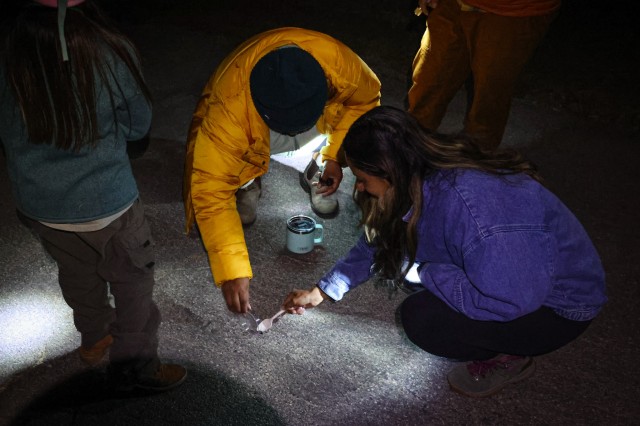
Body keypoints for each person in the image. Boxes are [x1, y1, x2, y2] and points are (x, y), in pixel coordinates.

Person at [281, 106, 607, 398]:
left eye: (364, 179)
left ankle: (510, 357)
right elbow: (380, 240)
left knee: (425, 321)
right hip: (515, 277)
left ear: (390, 172)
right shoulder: (417, 176)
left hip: (557, 306)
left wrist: (429, 272)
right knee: (414, 269)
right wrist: (322, 291)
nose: (361, 188)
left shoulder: (477, 215)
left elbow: (512, 300)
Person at [0, 0, 186, 392]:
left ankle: (94, 337)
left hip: (41, 205)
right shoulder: (108, 49)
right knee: (133, 287)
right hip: (109, 204)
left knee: (77, 273)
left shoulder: (10, 50)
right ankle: (136, 368)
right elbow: (138, 125)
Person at [183, 27, 381, 314]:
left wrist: (336, 156)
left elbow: (365, 99)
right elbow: (210, 189)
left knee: (349, 126)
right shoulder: (228, 110)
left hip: (317, 111)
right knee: (239, 152)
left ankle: (318, 166)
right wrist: (231, 269)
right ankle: (248, 181)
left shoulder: (339, 66)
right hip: (248, 117)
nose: (294, 133)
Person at [408, 0, 561, 150]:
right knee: (427, 84)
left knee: (489, 96)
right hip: (453, 5)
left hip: (515, 11)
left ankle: (476, 159)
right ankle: (406, 146)